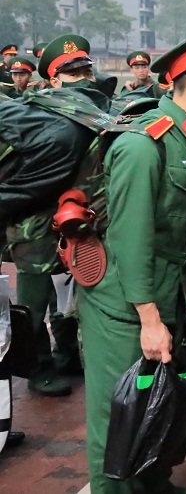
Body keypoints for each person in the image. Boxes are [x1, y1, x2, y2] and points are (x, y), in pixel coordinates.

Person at [77, 19, 186, 494]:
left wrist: (181, 293)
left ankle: (154, 484)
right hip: (124, 305)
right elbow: (133, 239)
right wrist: (150, 318)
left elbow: (183, 228)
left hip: (163, 291)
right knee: (120, 416)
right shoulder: (143, 145)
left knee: (160, 402)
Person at [7, 36, 112, 399]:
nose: (82, 78)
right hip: (35, 225)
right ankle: (37, 368)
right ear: (52, 82)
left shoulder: (98, 112)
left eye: (84, 69)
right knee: (33, 304)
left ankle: (66, 353)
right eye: (70, 73)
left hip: (81, 221)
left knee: (75, 294)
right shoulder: (35, 115)